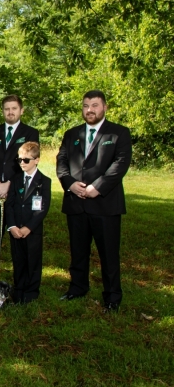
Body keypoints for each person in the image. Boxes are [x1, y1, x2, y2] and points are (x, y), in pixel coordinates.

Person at [56, 90, 131, 312]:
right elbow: (61, 161)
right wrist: (69, 183)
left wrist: (96, 187)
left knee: (108, 253)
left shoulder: (118, 133)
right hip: (76, 202)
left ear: (105, 107)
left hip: (105, 204)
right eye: (86, 105)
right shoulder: (71, 134)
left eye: (95, 105)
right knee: (78, 250)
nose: (90, 110)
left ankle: (112, 296)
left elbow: (120, 164)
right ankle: (78, 287)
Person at [0, 95, 40, 284]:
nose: (10, 112)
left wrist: (9, 184)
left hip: (18, 195)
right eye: (7, 109)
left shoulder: (30, 133)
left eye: (14, 108)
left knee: (18, 238)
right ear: (3, 111)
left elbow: (28, 162)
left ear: (21, 110)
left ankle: (21, 280)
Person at [5, 142, 51, 304]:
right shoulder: (16, 179)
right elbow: (9, 204)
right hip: (16, 228)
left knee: (32, 259)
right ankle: (18, 289)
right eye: (19, 160)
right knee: (18, 259)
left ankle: (31, 291)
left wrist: (29, 227)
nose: (22, 164)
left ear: (36, 160)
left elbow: (42, 208)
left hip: (32, 230)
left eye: (26, 160)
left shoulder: (44, 181)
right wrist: (12, 226)